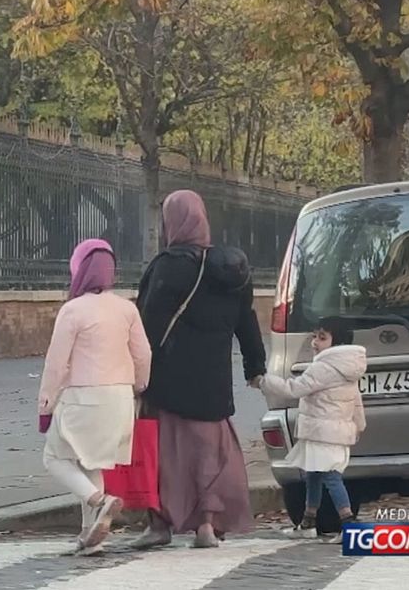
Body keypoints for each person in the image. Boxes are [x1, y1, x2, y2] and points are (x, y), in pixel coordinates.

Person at [132, 190, 267, 550]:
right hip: (213, 384)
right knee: (208, 454)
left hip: (168, 384)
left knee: (162, 454)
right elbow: (247, 322)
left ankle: (160, 523)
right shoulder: (232, 271)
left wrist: (136, 372)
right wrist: (256, 367)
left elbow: (147, 326)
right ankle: (207, 524)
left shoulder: (168, 266)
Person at [39, 239, 152, 555]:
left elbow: (56, 363)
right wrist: (139, 385)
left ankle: (98, 501)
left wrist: (45, 403)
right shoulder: (127, 308)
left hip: (83, 397)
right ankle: (90, 537)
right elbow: (143, 354)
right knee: (92, 464)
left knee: (55, 458)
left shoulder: (72, 310)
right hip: (120, 398)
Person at [257, 317, 366, 543]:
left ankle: (348, 523)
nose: (315, 342)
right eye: (315, 336)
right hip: (332, 431)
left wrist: (264, 382)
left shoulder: (323, 367)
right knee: (313, 474)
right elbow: (356, 401)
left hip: (321, 431)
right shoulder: (348, 369)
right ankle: (309, 521)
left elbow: (295, 389)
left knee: (330, 476)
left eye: (322, 337)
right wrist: (358, 425)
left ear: (337, 344)